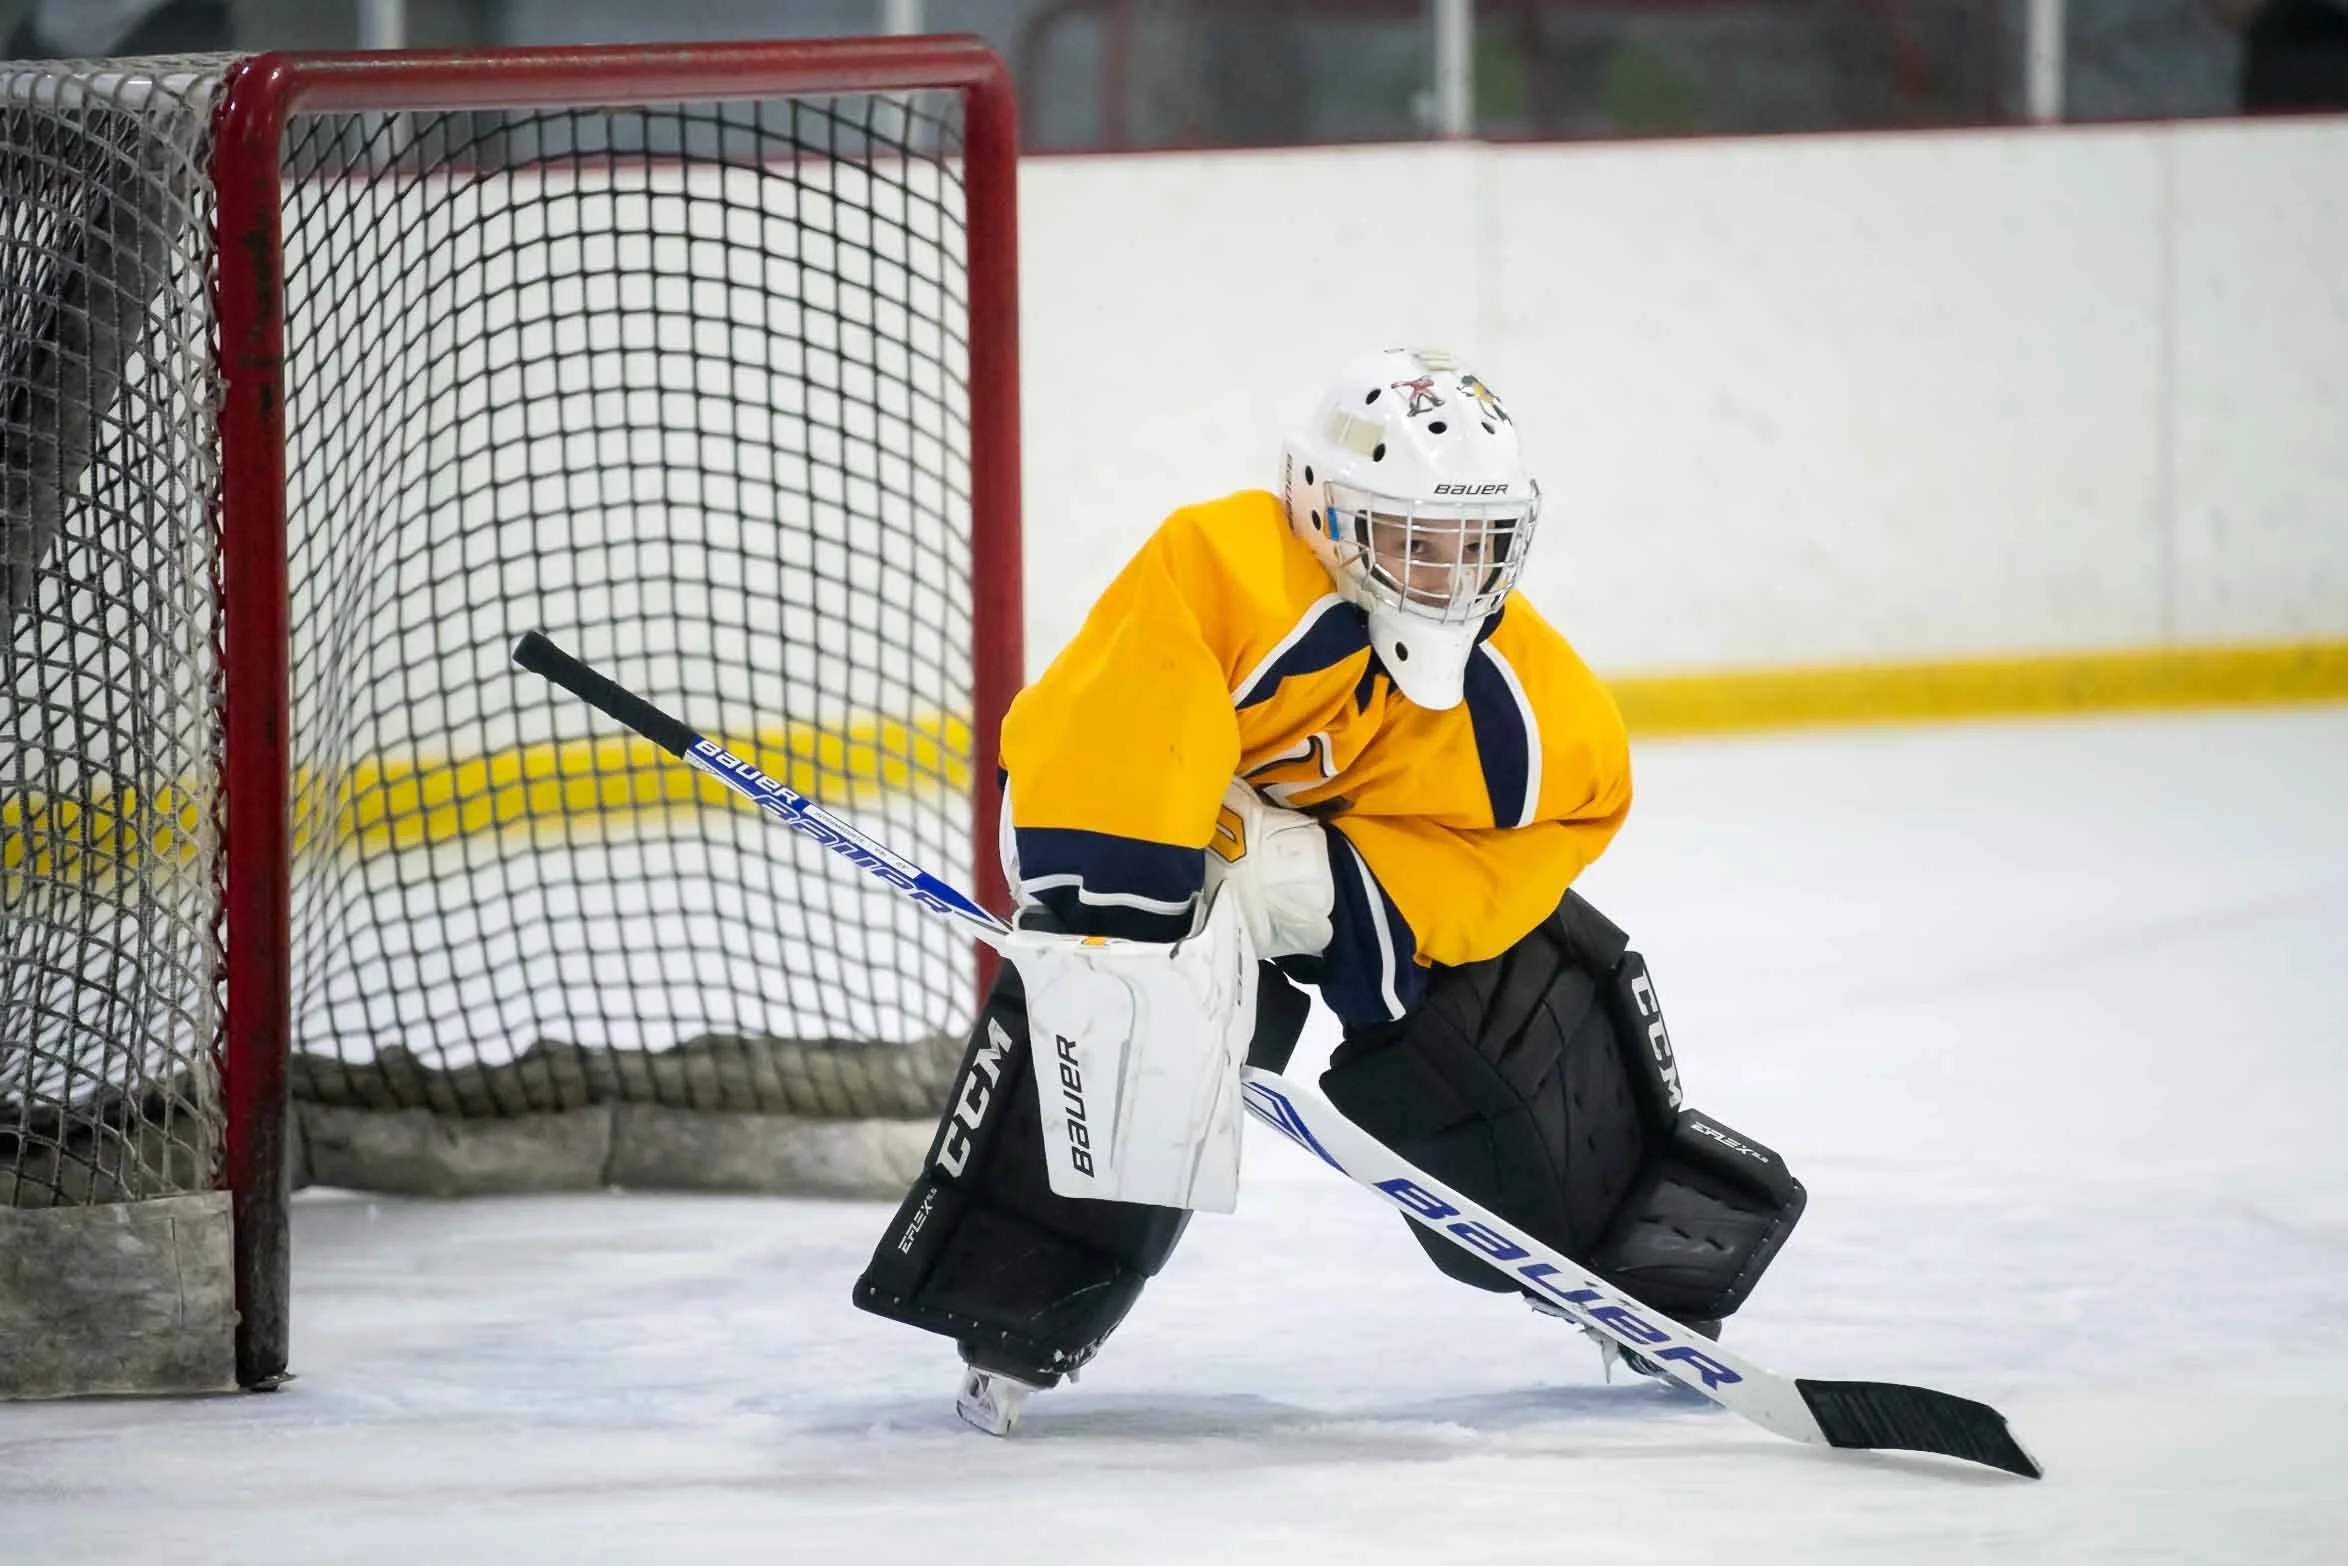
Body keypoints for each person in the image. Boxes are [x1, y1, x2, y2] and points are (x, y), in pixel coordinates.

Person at [853, 348, 1806, 1433]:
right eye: (1414, 538)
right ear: (1324, 513)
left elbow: (1557, 827)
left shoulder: (1526, 698)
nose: (1448, 574)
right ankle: (1011, 1300)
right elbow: (1104, 741)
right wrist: (1150, 919)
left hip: (1329, 857)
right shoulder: (1223, 567)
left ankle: (1616, 1259)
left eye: (1476, 542)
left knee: (1521, 983)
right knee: (1132, 1013)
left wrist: (1367, 913)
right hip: (1148, 830)